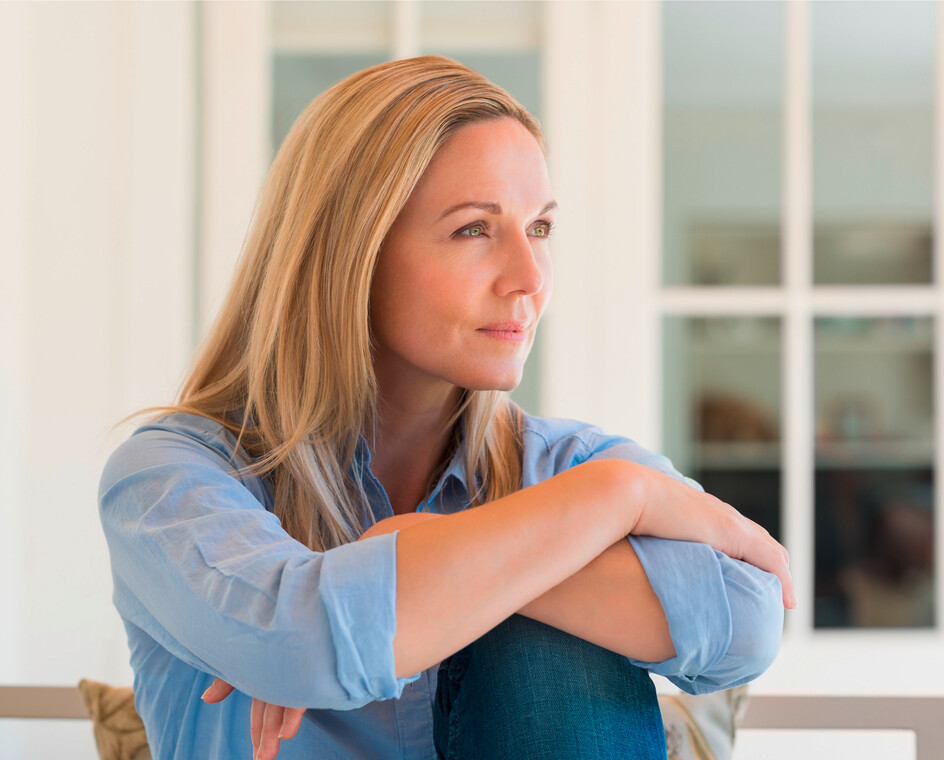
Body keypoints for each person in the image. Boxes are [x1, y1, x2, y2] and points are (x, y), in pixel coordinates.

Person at [98, 56, 794, 760]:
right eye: (474, 230)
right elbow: (301, 643)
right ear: (352, 253)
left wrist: (408, 546)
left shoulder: (567, 466)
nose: (529, 278)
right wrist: (619, 500)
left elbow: (750, 620)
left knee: (551, 645)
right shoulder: (166, 477)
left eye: (541, 228)